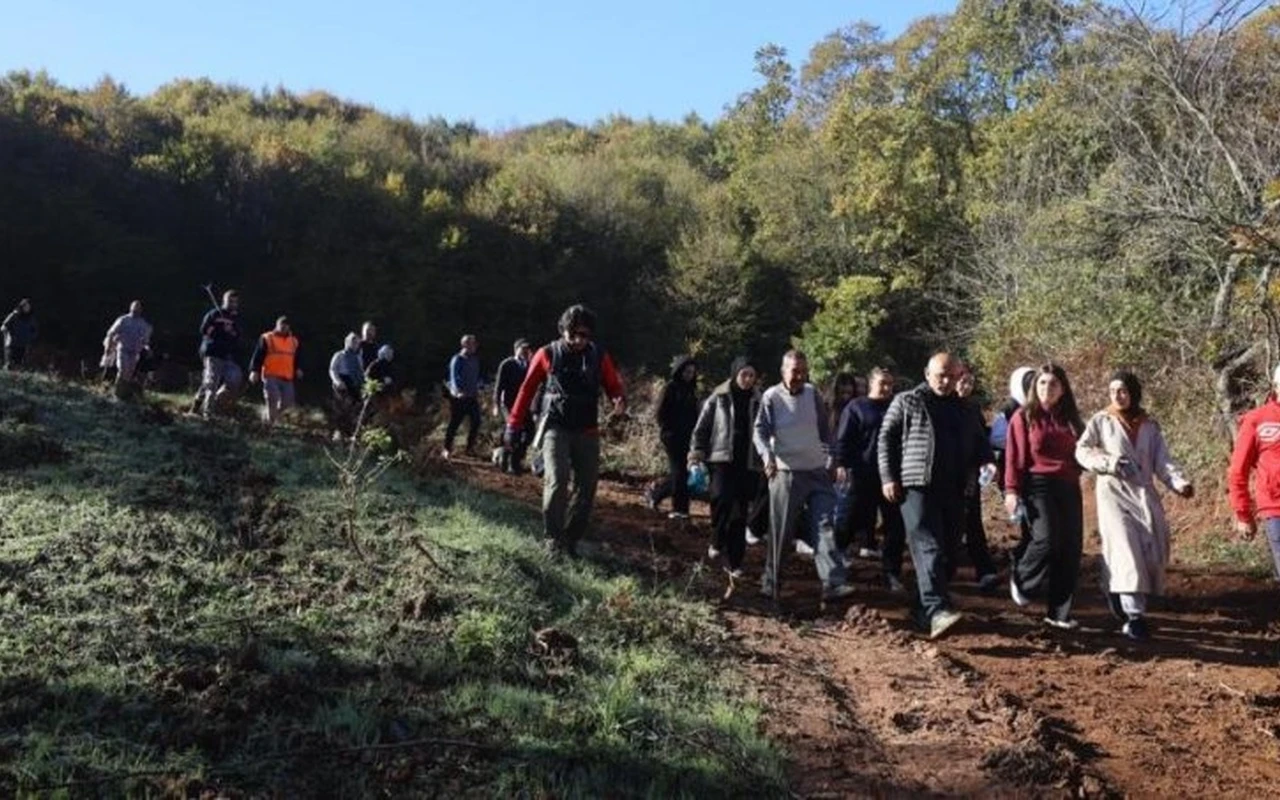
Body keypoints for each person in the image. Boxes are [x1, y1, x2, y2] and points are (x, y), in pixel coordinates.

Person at [879, 353, 994, 639]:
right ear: (927, 373)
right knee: (927, 546)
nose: (946, 381)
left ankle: (922, 609)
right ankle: (937, 609)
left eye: (952, 376)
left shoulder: (966, 409)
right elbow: (886, 439)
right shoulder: (908, 401)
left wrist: (987, 461)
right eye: (940, 375)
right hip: (917, 485)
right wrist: (889, 477)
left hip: (955, 488)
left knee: (949, 554)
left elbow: (980, 442)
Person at [1077, 371, 1193, 640]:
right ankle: (1134, 617)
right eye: (1113, 391)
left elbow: (1162, 460)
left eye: (1122, 391)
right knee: (1126, 550)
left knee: (1153, 547)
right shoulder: (1101, 421)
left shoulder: (1149, 425)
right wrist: (1107, 462)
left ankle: (1116, 589)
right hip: (1114, 495)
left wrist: (1179, 482)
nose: (1117, 396)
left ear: (1133, 392)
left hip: (1144, 493)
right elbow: (1082, 450)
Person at [503, 304, 626, 557]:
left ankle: (571, 539)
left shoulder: (598, 356)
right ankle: (552, 539)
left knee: (587, 486)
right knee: (557, 480)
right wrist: (513, 426)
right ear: (563, 330)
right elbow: (526, 390)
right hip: (555, 427)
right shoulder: (547, 353)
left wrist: (619, 399)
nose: (579, 340)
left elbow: (614, 385)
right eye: (574, 334)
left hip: (588, 429)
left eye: (585, 335)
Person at [754, 350, 854, 604]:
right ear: (783, 371)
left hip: (816, 470)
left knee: (824, 525)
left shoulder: (812, 394)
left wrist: (832, 458)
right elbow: (760, 432)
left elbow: (825, 430)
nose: (798, 376)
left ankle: (832, 582)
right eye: (794, 371)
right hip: (786, 472)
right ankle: (771, 582)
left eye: (802, 371)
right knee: (782, 530)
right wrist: (767, 458)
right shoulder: (771, 397)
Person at [1004, 363, 1086, 630]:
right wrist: (1012, 491)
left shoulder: (1072, 420)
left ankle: (1059, 612)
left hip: (1068, 485)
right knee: (1048, 539)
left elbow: (1086, 453)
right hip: (1037, 483)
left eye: (1052, 384)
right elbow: (1014, 457)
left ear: (1063, 389)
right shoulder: (1023, 417)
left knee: (1070, 547)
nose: (1046, 389)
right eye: (1041, 383)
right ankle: (1022, 579)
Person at [689, 357, 768, 578]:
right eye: (744, 374)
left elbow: (768, 430)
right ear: (735, 374)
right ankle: (716, 537)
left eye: (752, 375)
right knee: (721, 500)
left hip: (747, 463)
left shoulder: (759, 400)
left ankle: (735, 562)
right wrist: (696, 454)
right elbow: (702, 427)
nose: (748, 379)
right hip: (721, 459)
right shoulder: (719, 397)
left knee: (739, 513)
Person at [834, 367, 907, 590]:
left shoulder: (898, 407)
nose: (886, 388)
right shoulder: (857, 407)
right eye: (882, 383)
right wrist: (841, 464)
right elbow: (844, 439)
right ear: (870, 384)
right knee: (848, 521)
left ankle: (892, 572)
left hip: (891, 476)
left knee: (895, 526)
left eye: (890, 384)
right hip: (861, 473)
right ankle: (835, 567)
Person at [1227, 362, 1280, 583]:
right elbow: (1238, 470)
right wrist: (1243, 514)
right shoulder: (1257, 420)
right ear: (1276, 387)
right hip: (1275, 507)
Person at [956, 367, 1000, 592]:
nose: (965, 386)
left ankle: (985, 571)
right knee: (949, 526)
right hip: (943, 476)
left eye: (970, 382)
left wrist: (988, 460)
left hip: (970, 474)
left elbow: (982, 438)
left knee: (973, 522)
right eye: (962, 381)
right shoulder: (940, 405)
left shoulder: (973, 407)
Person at [646, 355, 700, 520]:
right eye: (686, 371)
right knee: (679, 472)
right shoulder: (670, 388)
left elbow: (696, 415)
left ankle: (656, 493)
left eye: (692, 371)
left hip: (688, 437)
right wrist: (667, 431)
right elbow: (660, 413)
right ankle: (680, 508)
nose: (689, 374)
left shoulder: (692, 391)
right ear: (679, 371)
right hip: (672, 437)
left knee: (682, 473)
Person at [192, 290, 243, 417]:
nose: (232, 304)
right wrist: (220, 330)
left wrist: (231, 332)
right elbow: (204, 330)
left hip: (227, 355)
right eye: (230, 301)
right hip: (212, 351)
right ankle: (207, 413)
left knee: (229, 379)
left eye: (235, 302)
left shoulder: (236, 318)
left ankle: (198, 405)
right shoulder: (214, 314)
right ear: (224, 300)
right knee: (212, 381)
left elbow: (238, 336)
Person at [248, 316, 302, 425]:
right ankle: (270, 424)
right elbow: (258, 356)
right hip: (270, 374)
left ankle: (270, 416)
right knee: (272, 398)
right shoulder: (267, 337)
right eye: (281, 325)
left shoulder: (293, 341)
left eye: (286, 326)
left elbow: (296, 358)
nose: (283, 328)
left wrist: (298, 369)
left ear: (289, 327)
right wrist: (254, 371)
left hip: (287, 376)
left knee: (288, 402)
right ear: (277, 325)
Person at [990, 366, 1035, 490]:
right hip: (1013, 471)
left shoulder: (1037, 409)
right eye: (1028, 384)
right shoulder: (1009, 409)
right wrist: (1024, 442)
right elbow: (996, 438)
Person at [494, 339, 534, 473]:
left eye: (527, 349)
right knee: (512, 432)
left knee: (530, 432)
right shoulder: (507, 364)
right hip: (508, 403)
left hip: (523, 404)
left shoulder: (529, 365)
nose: (525, 351)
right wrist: (496, 404)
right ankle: (507, 461)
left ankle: (514, 458)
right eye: (522, 349)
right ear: (516, 349)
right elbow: (499, 385)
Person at [443, 334, 482, 460]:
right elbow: (454, 377)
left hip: (472, 396)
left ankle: (470, 448)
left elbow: (476, 377)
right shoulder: (457, 359)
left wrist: (480, 387)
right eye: (472, 343)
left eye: (475, 343)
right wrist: (458, 391)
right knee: (455, 423)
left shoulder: (474, 360)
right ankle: (447, 449)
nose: (474, 346)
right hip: (459, 398)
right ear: (465, 345)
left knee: (476, 421)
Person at [102, 300, 153, 392]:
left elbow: (145, 340)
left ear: (141, 310)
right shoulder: (123, 320)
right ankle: (117, 392)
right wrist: (108, 347)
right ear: (130, 308)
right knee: (122, 369)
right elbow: (111, 333)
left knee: (129, 374)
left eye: (138, 307)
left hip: (134, 352)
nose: (135, 309)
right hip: (123, 349)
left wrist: (148, 349)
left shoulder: (143, 324)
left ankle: (123, 392)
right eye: (134, 307)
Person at [329, 332, 364, 435]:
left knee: (356, 407)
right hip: (342, 382)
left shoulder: (358, 357)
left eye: (356, 343)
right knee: (342, 409)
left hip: (355, 383)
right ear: (347, 342)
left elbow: (360, 370)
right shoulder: (339, 355)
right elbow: (332, 369)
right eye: (352, 342)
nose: (354, 345)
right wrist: (337, 381)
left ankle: (353, 430)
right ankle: (338, 431)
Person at [2, 298, 36, 371]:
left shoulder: (31, 318)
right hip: (12, 344)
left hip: (23, 345)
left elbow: (34, 330)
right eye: (25, 306)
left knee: (20, 366)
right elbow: (4, 326)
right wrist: (8, 333)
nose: (27, 308)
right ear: (22, 306)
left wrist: (30, 337)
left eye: (28, 307)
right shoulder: (14, 315)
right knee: (10, 365)